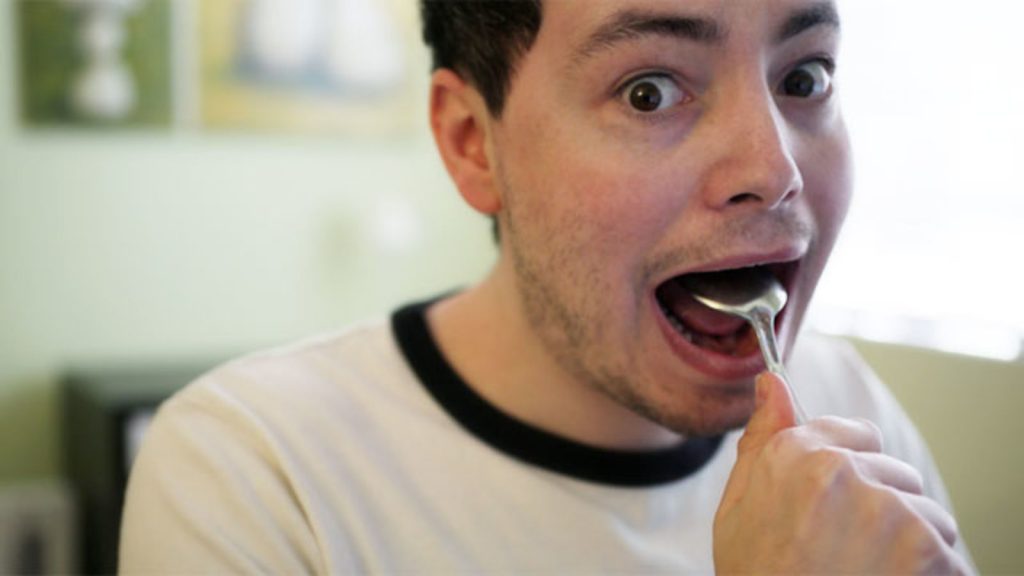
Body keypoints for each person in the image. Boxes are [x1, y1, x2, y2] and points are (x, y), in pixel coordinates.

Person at [120, 0, 974, 573]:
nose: (772, 168)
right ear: (470, 144)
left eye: (805, 78)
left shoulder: (849, 411)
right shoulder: (254, 472)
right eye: (650, 91)